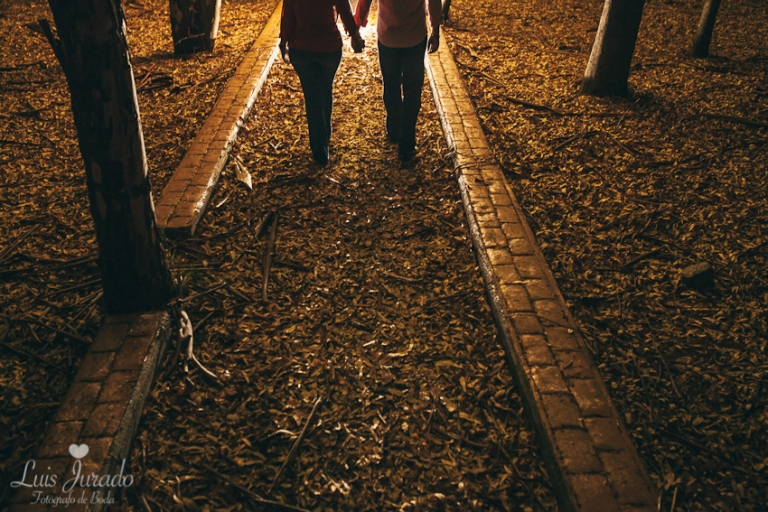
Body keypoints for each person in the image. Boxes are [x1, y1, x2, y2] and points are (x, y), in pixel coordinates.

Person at [354, 0, 442, 161]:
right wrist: (435, 31)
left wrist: (357, 28)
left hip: (388, 37)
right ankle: (407, 142)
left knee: (391, 86)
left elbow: (365, 2)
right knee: (412, 91)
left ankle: (394, 128)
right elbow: (434, 2)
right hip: (414, 37)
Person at [279, 0, 365, 165]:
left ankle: (319, 147)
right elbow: (344, 9)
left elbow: (288, 15)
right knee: (325, 89)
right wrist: (354, 34)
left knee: (312, 96)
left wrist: (284, 41)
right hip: (329, 47)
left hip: (301, 48)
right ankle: (324, 138)